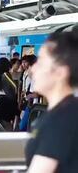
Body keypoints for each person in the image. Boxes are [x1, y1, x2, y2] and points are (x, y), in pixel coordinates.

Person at [26, 32, 78, 173]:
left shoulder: (62, 119)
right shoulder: (66, 110)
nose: (34, 68)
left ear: (61, 73)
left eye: (41, 62)